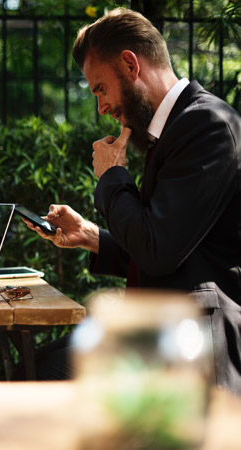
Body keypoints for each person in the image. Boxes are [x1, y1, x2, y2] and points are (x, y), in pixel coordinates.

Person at [23, 8, 241, 395]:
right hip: (162, 329)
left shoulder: (207, 125)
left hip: (195, 341)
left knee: (42, 372)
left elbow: (158, 251)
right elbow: (168, 244)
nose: (101, 107)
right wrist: (91, 235)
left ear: (130, 65)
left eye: (100, 88)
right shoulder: (176, 129)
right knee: (36, 365)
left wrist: (111, 178)